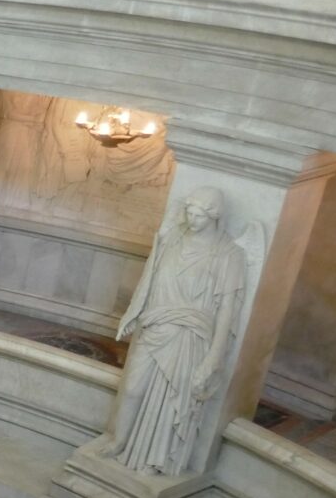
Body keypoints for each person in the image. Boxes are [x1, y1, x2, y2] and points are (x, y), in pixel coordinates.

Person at [106, 187, 250, 476]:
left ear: (214, 218)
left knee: (171, 399)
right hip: (156, 324)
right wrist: (133, 314)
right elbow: (151, 278)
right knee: (133, 387)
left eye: (199, 216)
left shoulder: (228, 255)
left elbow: (226, 312)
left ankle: (153, 458)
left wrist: (213, 357)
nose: (192, 219)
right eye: (189, 213)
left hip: (189, 335)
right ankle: (120, 441)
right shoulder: (173, 239)